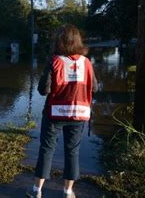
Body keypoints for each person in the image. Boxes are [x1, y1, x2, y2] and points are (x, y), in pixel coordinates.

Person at [26, 24, 98, 198]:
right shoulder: (86, 62)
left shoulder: (54, 61)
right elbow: (94, 87)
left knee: (46, 149)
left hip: (54, 113)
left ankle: (36, 191)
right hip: (79, 114)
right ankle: (68, 192)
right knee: (72, 151)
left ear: (58, 41)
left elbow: (43, 90)